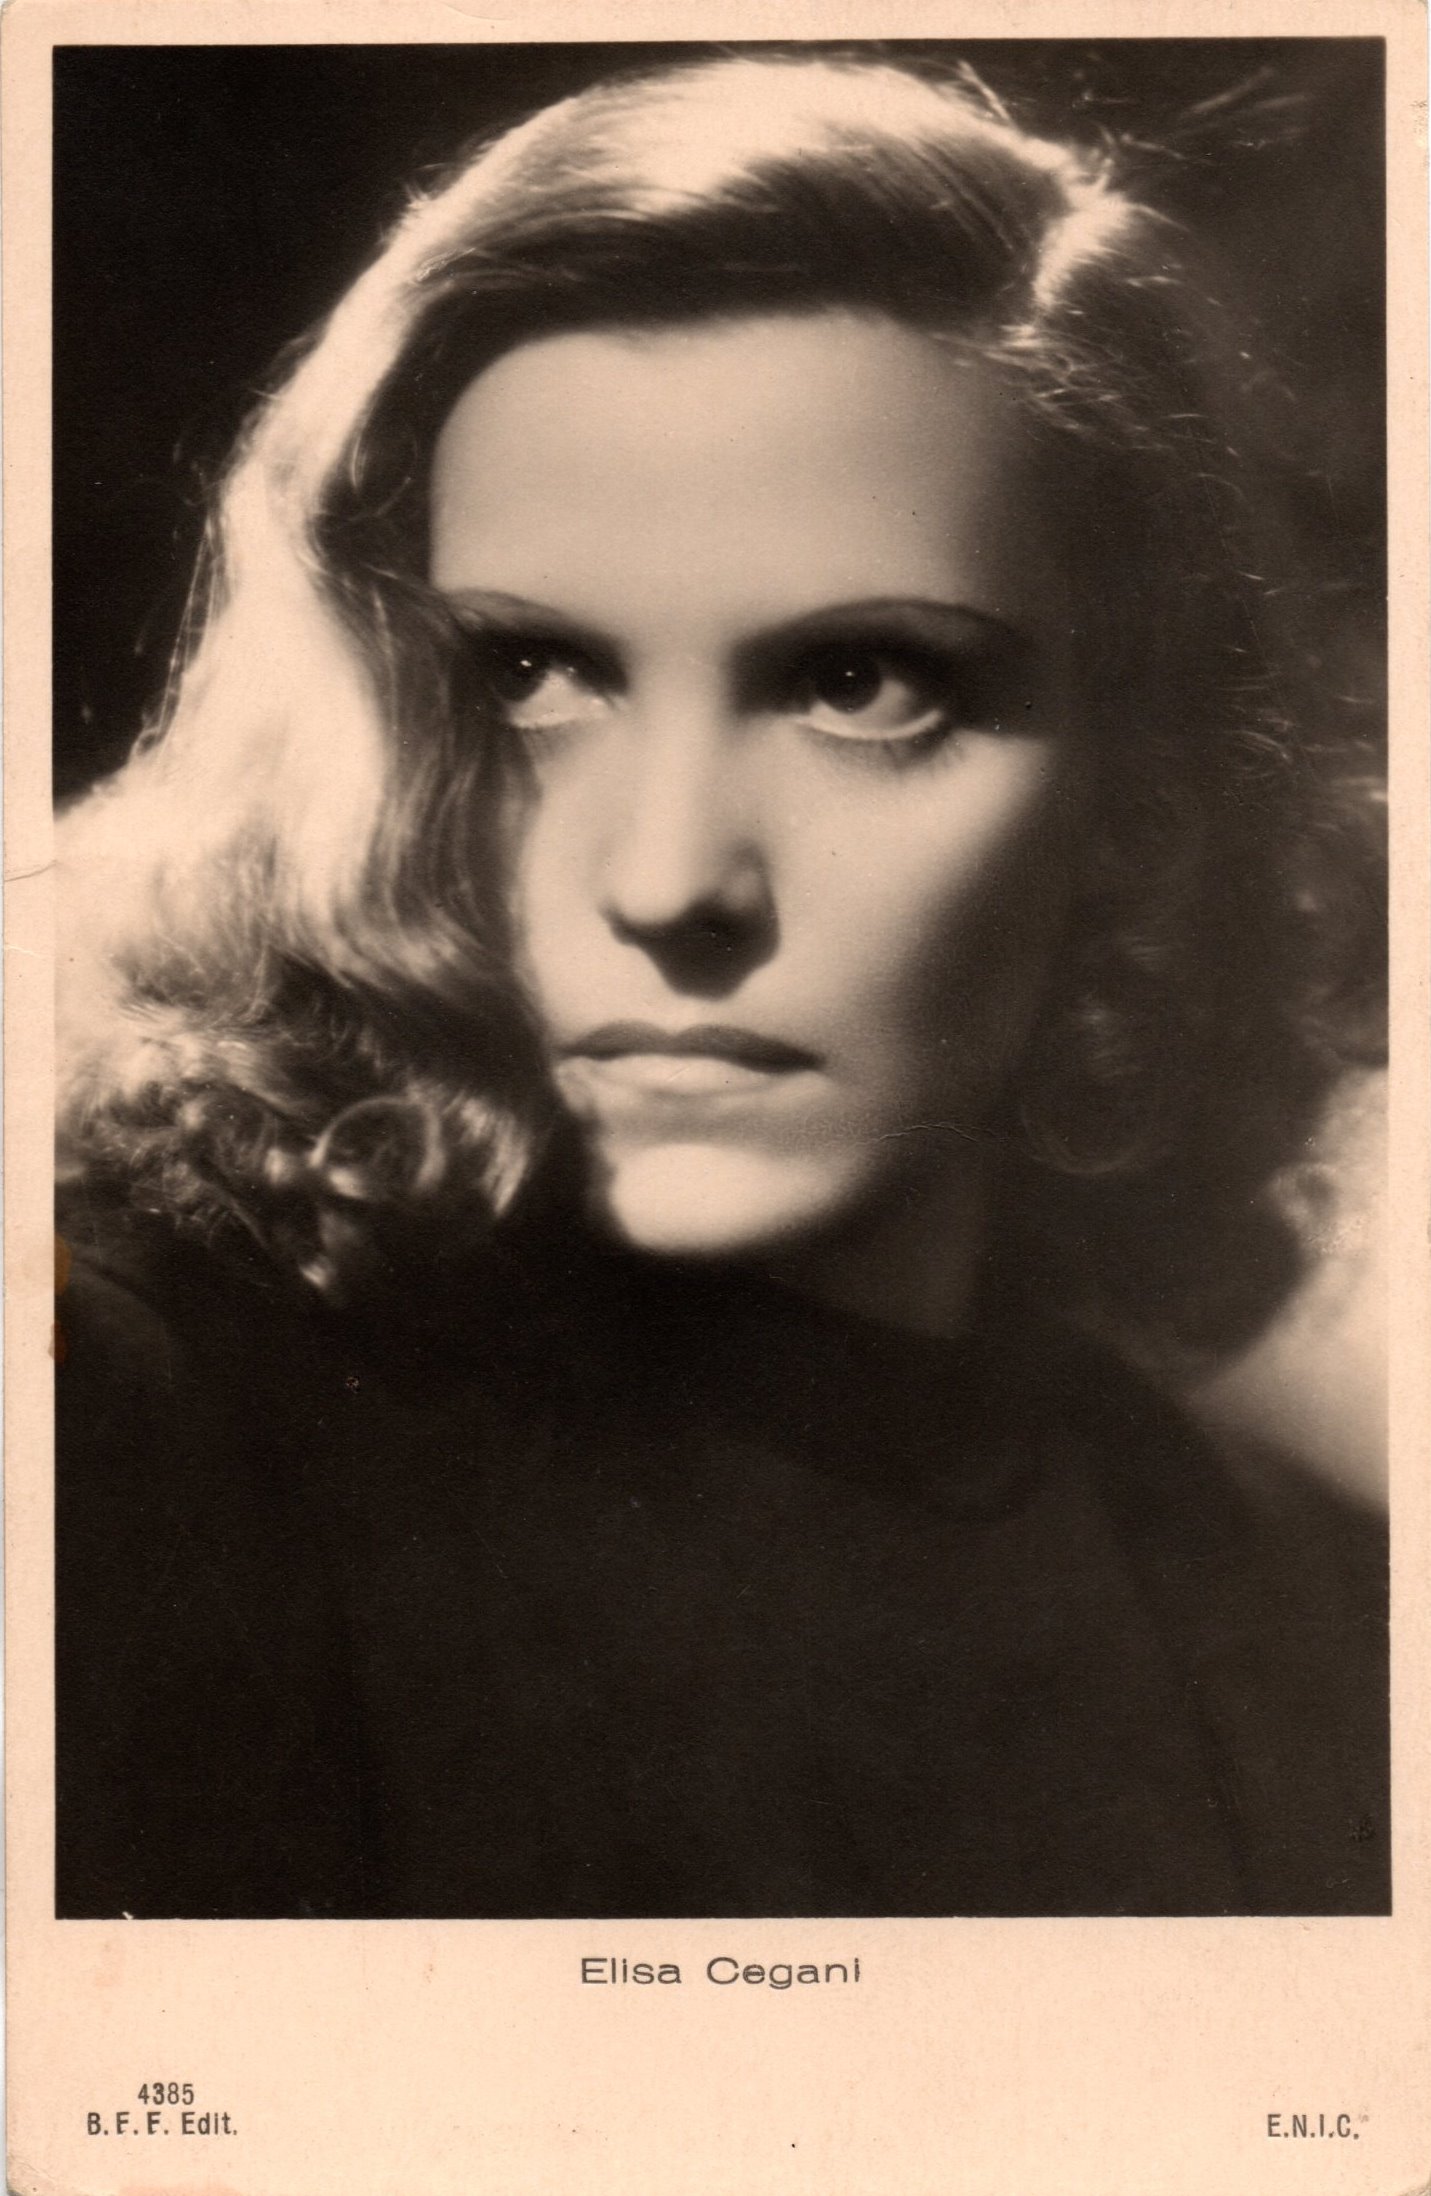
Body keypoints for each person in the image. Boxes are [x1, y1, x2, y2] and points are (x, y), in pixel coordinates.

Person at [54, 51, 1388, 1920]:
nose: (671, 881)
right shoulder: (125, 1432)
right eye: (532, 678)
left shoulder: (1306, 1604)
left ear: (1140, 791)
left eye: (862, 684)